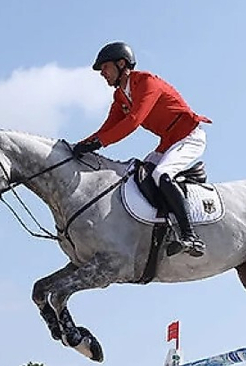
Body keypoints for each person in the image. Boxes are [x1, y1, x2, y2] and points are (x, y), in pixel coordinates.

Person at [73, 42, 210, 257]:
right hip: (168, 143)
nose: (102, 74)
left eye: (105, 68)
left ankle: (190, 236)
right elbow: (107, 128)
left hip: (189, 136)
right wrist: (80, 146)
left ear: (121, 64)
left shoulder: (146, 82)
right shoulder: (120, 96)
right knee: (138, 175)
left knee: (161, 173)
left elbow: (134, 121)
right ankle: (162, 225)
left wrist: (98, 143)